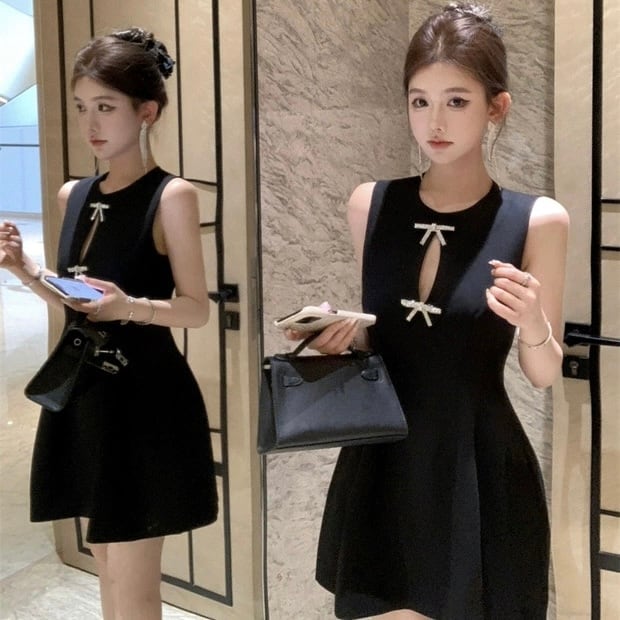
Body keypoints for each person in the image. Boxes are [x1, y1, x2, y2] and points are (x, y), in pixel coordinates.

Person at [286, 3, 569, 619]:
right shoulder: (370, 204)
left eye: (456, 101)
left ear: (497, 106)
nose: (434, 121)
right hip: (382, 461)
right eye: (420, 101)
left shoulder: (537, 220)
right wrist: (343, 338)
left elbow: (544, 374)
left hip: (478, 463)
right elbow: (386, 343)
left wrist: (534, 323)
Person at [0, 28, 218, 619]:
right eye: (81, 108)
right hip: (85, 393)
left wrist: (129, 307)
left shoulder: (171, 196)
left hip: (145, 399)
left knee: (133, 575)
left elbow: (196, 308)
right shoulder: (73, 194)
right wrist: (25, 270)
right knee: (104, 558)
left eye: (105, 106)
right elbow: (79, 303)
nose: (90, 123)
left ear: (146, 111)